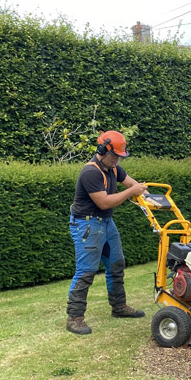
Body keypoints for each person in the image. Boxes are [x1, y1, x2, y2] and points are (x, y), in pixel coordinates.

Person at [66, 130, 148, 335]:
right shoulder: (90, 172)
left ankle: (119, 307)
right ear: (103, 150)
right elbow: (103, 202)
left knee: (116, 264)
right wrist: (132, 192)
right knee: (86, 271)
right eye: (115, 156)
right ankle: (75, 317)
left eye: (121, 157)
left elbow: (131, 183)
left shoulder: (113, 168)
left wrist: (149, 196)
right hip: (87, 225)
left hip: (106, 224)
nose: (118, 161)